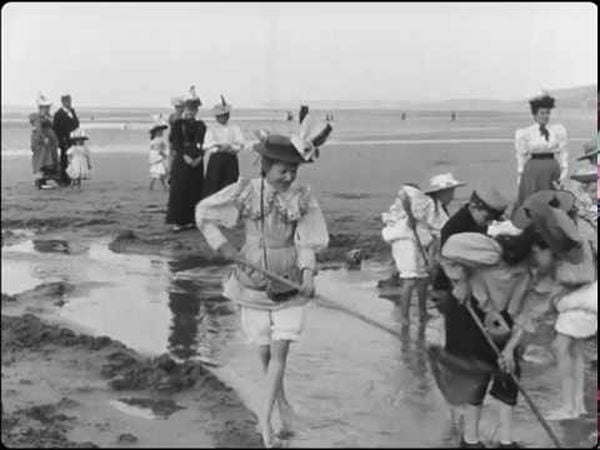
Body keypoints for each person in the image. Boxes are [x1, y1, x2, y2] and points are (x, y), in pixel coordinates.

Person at [195, 126, 332, 448]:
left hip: (289, 283)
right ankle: (282, 405)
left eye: (294, 170)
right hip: (251, 279)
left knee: (281, 352)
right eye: (284, 170)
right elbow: (203, 212)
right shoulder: (245, 190)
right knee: (265, 354)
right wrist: (224, 248)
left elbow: (308, 239)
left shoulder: (302, 196)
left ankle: (264, 421)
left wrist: (309, 274)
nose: (289, 176)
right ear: (266, 166)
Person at [511, 190, 596, 421]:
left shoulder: (561, 235)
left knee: (561, 348)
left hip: (574, 295)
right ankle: (578, 405)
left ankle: (569, 407)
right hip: (588, 292)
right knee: (575, 351)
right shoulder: (581, 229)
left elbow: (548, 264)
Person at [380, 173, 466, 323]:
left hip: (418, 241)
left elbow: (440, 232)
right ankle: (404, 316)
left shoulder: (439, 210)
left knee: (424, 278)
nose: (452, 195)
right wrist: (411, 218)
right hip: (405, 240)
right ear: (442, 192)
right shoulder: (422, 201)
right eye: (450, 192)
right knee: (410, 279)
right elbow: (404, 193)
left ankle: (422, 313)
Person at [514, 92, 568, 207]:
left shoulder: (558, 131)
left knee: (552, 201)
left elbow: (563, 153)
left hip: (552, 170)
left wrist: (563, 173)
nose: (545, 116)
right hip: (533, 172)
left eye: (548, 113)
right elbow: (521, 156)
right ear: (535, 115)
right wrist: (520, 177)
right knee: (533, 202)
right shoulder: (525, 133)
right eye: (542, 113)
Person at [165, 87, 206, 232]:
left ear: (197, 111)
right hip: (182, 159)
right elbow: (176, 143)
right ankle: (179, 221)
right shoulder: (177, 124)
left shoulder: (201, 125)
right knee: (180, 189)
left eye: (193, 109)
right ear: (184, 109)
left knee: (195, 189)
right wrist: (186, 157)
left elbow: (202, 143)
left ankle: (191, 220)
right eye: (188, 108)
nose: (190, 111)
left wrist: (200, 156)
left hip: (197, 159)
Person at [202, 95, 246, 198]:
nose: (223, 118)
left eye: (225, 115)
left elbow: (240, 143)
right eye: (220, 116)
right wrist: (219, 147)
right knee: (214, 185)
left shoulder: (235, 128)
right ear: (216, 117)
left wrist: (231, 148)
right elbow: (207, 145)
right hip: (217, 159)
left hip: (230, 158)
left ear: (228, 115)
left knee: (230, 184)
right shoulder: (212, 129)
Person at [30, 93, 59, 190]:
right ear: (41, 107)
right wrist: (43, 138)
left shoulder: (46, 116)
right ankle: (40, 182)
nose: (48, 109)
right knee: (41, 160)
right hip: (41, 142)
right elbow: (38, 129)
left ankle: (43, 181)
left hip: (48, 142)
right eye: (46, 107)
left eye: (48, 107)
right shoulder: (37, 117)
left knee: (47, 160)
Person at [53, 93, 80, 186]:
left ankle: (72, 177)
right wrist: (61, 140)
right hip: (63, 140)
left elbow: (76, 123)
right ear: (63, 102)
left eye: (70, 101)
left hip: (73, 139)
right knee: (64, 159)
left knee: (73, 159)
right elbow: (56, 128)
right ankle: (63, 179)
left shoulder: (72, 111)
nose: (69, 103)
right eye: (67, 101)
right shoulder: (58, 114)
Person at [148, 115, 169, 192]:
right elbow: (160, 150)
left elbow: (153, 150)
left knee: (159, 175)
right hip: (158, 159)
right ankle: (163, 187)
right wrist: (165, 155)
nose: (162, 132)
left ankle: (164, 187)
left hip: (155, 158)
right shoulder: (159, 140)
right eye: (160, 131)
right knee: (158, 174)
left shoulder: (153, 140)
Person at [167, 95, 185, 179]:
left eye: (181, 107)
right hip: (174, 139)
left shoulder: (183, 117)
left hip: (180, 140)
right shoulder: (174, 117)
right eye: (178, 107)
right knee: (174, 156)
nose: (179, 109)